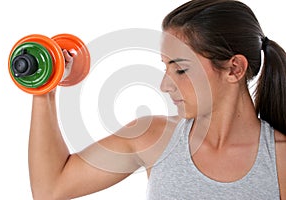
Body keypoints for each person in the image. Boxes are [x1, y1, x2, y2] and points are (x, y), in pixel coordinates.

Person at [28, 0, 286, 199]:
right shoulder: (155, 138)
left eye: (181, 69)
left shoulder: (280, 159)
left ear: (234, 69)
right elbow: (51, 187)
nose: (165, 85)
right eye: (166, 68)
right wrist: (46, 86)